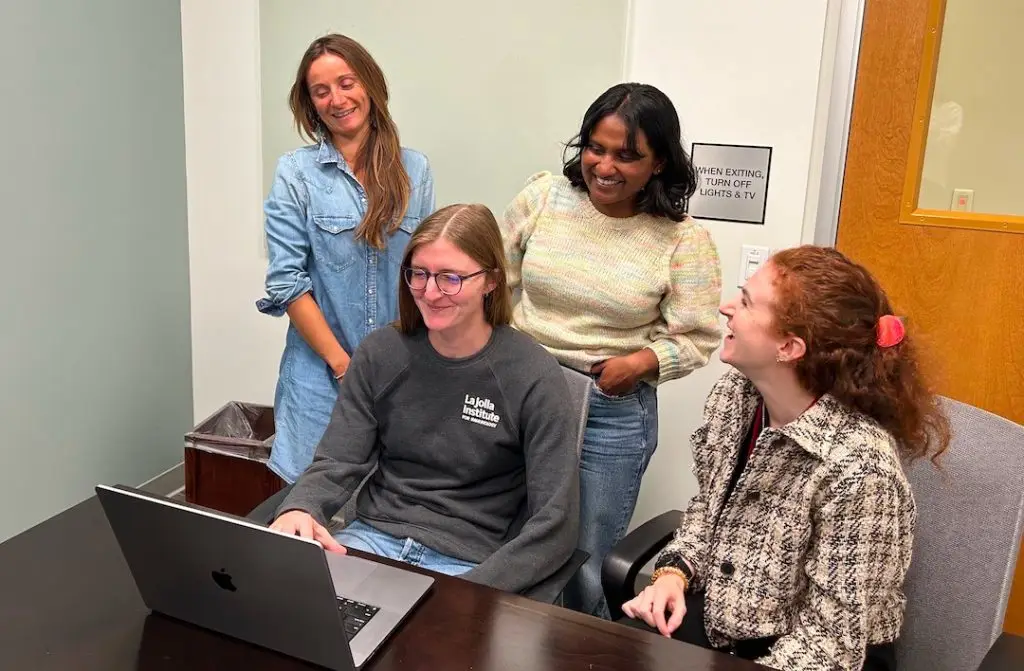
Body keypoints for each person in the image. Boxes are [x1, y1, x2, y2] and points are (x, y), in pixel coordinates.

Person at [622, 246, 951, 671]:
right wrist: (674, 574)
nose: (726, 309)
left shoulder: (860, 468)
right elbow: (708, 509)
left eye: (745, 301)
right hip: (726, 626)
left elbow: (831, 646)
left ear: (790, 347)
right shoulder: (736, 397)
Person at [269, 204, 580, 593]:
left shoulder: (533, 374)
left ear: (491, 281)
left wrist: (472, 592)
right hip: (371, 541)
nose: (431, 293)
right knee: (284, 612)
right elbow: (339, 459)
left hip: (468, 563)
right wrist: (301, 506)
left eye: (451, 278)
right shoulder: (381, 353)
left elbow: (556, 524)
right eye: (419, 274)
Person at [500, 82, 723, 617]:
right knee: (507, 536)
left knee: (587, 562)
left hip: (609, 408)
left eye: (628, 156)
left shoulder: (682, 240)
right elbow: (492, 277)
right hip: (522, 391)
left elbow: (698, 336)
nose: (605, 166)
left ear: (659, 162)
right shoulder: (543, 198)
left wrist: (642, 363)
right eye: (595, 148)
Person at [256, 34, 435, 484]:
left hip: (399, 375)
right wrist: (343, 366)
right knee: (310, 516)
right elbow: (286, 283)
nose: (337, 99)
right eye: (321, 91)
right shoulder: (295, 174)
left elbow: (425, 275)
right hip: (320, 377)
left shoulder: (416, 171)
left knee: (384, 514)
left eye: (346, 82)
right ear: (310, 103)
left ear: (370, 85)